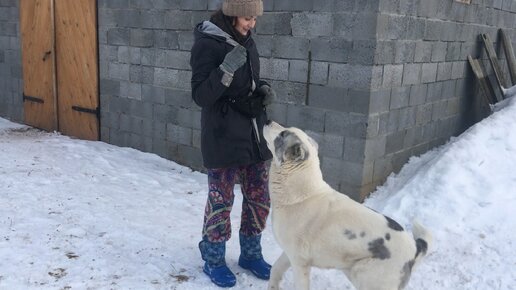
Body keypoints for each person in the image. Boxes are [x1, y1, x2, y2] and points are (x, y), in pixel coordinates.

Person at [189, 0, 276, 287]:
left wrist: (261, 89)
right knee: (221, 201)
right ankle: (213, 259)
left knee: (259, 198)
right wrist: (225, 70)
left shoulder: (247, 40)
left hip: (252, 133)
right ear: (232, 12)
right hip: (223, 136)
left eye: (255, 18)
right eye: (248, 17)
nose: (252, 23)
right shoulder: (208, 43)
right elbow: (201, 95)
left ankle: (251, 254)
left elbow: (247, 83)